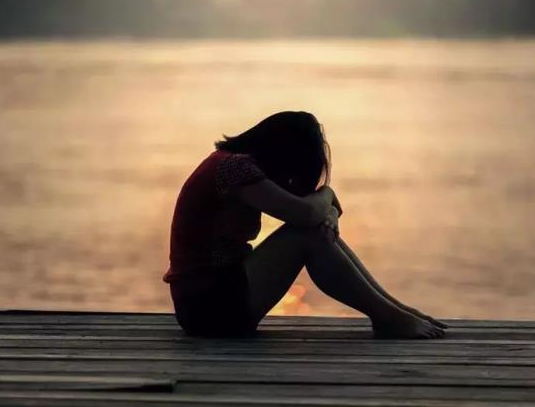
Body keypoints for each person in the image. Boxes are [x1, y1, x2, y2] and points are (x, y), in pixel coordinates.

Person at [163, 111, 446, 339]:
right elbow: (307, 213)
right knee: (307, 235)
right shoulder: (234, 169)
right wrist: (328, 195)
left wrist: (327, 208)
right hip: (208, 307)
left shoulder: (230, 164)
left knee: (312, 231)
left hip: (212, 299)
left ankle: (393, 311)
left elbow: (312, 211)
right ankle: (388, 316)